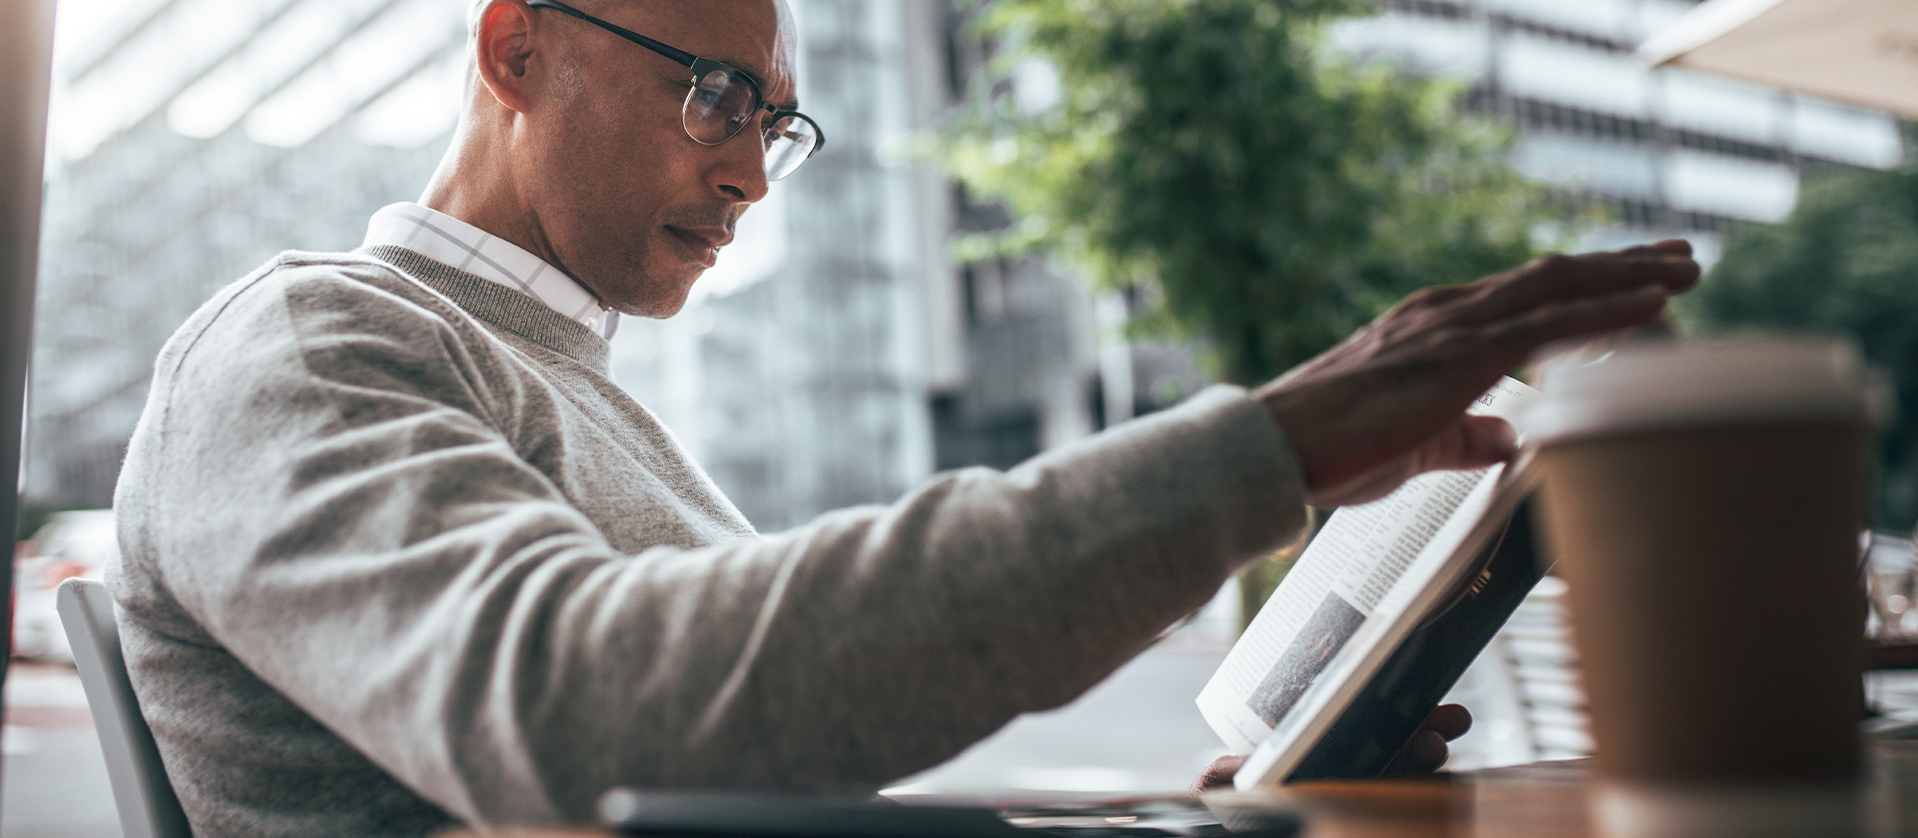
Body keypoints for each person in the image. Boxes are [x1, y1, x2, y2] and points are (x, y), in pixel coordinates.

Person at [106, 0, 1700, 835]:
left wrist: (1187, 813)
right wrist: (1259, 450)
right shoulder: (314, 339)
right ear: (517, 48)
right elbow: (579, 724)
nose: (745, 171)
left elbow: (735, 799)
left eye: (772, 121)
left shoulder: (572, 388)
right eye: (711, 94)